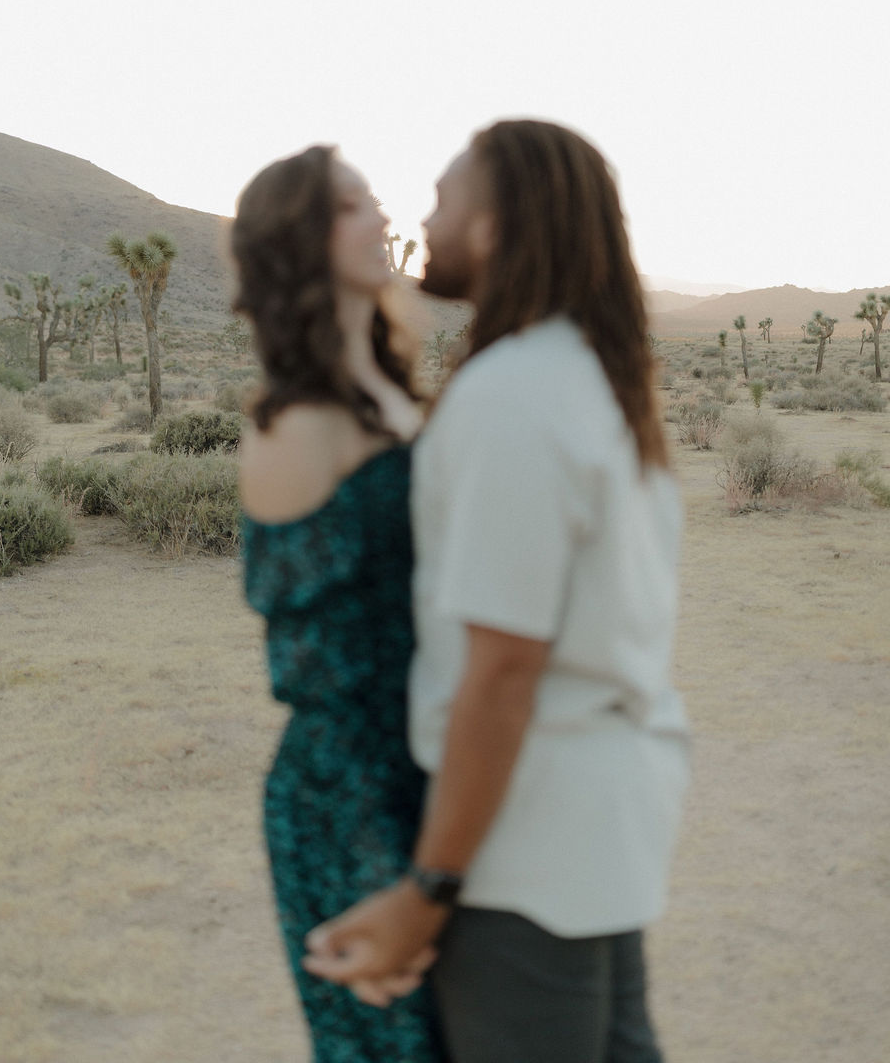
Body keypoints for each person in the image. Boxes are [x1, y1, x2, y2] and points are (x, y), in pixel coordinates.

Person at [304, 120, 691, 1063]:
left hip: (526, 847)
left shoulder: (512, 395)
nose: (424, 219)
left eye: (442, 198)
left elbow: (504, 670)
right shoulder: (591, 378)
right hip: (596, 826)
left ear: (497, 223)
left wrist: (428, 887)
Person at [233, 144, 448, 1063]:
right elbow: (321, 650)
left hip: (428, 760)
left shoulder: (393, 397)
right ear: (302, 240)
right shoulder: (295, 422)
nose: (381, 217)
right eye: (354, 204)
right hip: (348, 786)